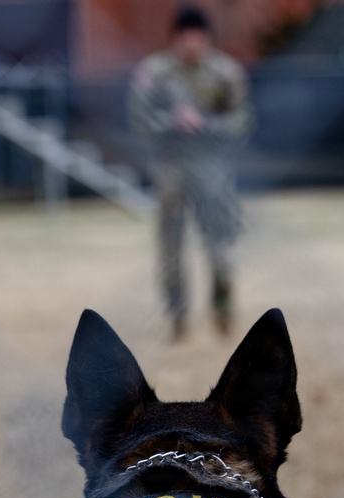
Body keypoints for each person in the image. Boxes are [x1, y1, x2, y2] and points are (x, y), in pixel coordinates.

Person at [128, 5, 253, 341]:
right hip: (170, 168)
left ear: (208, 39)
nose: (192, 46)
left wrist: (205, 124)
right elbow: (138, 119)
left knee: (219, 246)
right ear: (175, 39)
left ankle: (223, 311)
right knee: (171, 247)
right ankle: (177, 318)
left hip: (212, 171)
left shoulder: (226, 72)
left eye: (198, 39)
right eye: (186, 39)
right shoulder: (154, 72)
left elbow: (241, 121)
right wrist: (171, 121)